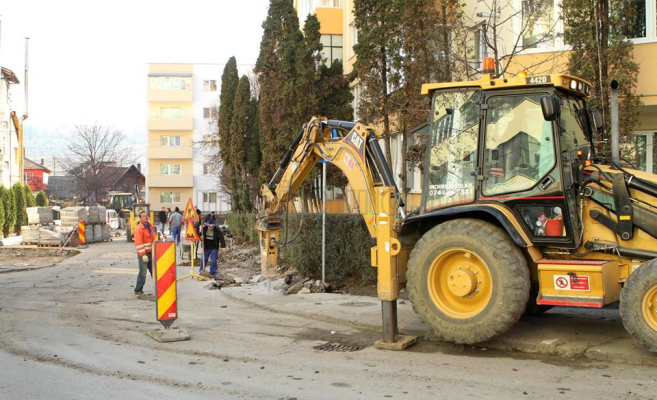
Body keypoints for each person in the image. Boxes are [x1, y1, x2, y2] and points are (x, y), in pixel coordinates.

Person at [133, 210, 155, 298]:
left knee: (154, 272)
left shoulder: (150, 227)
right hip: (144, 254)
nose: (145, 217)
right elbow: (138, 243)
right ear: (140, 218)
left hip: (151, 253)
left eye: (146, 215)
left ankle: (159, 288)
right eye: (143, 216)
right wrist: (142, 254)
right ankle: (138, 289)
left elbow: (153, 238)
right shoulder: (139, 229)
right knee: (143, 272)